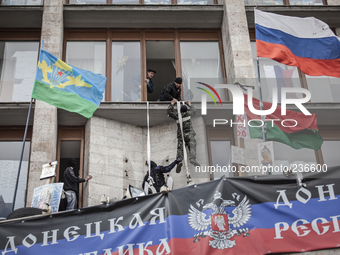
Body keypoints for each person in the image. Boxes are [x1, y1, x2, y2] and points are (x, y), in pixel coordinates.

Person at [167, 99, 200, 173]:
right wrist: (189, 104)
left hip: (181, 135)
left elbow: (169, 113)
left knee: (180, 148)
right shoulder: (188, 114)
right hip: (189, 134)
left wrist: (172, 104)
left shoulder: (177, 116)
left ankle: (179, 160)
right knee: (192, 145)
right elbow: (194, 111)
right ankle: (192, 158)